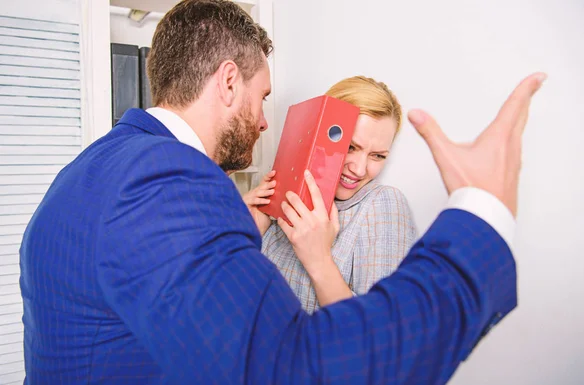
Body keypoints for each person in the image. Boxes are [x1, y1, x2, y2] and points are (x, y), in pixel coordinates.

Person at [18, 0, 546, 384]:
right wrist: (482, 211)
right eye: (262, 95)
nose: (265, 122)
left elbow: (171, 307)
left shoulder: (91, 166)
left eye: (378, 155)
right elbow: (293, 366)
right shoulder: (169, 180)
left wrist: (236, 234)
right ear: (228, 82)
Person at [243, 76, 418, 313]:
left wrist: (319, 259)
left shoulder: (383, 204)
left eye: (378, 155)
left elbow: (383, 330)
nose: (359, 168)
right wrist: (245, 231)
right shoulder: (285, 194)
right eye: (350, 147)